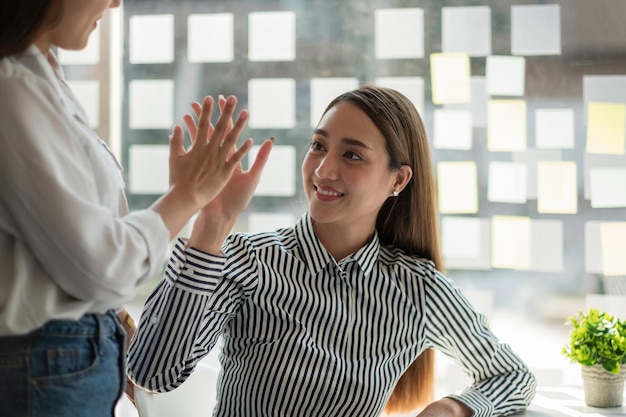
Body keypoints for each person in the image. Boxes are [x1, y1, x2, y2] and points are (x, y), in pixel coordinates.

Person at [127, 84, 537, 416]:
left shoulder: (418, 289)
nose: (323, 170)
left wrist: (453, 408)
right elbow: (151, 372)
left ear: (398, 180)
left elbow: (513, 375)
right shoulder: (248, 261)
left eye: (352, 154)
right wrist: (211, 224)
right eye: (319, 146)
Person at [0, 1, 273, 416]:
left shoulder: (40, 81)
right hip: (47, 365)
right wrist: (188, 198)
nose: (115, 2)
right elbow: (101, 268)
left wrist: (202, 207)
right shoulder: (12, 88)